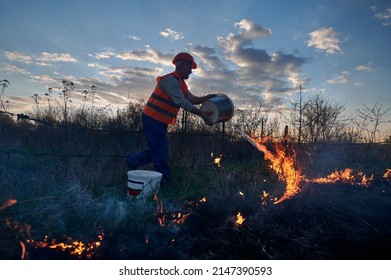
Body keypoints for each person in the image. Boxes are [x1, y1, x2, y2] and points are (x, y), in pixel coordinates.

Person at [125, 52, 217, 185]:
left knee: (158, 149)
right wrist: (202, 114)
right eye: (190, 68)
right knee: (161, 150)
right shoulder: (170, 80)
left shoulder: (180, 83)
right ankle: (165, 182)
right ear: (183, 65)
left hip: (158, 121)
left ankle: (133, 161)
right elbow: (182, 102)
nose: (191, 72)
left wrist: (207, 97)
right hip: (153, 119)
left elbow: (191, 99)